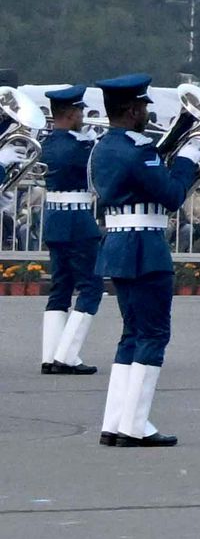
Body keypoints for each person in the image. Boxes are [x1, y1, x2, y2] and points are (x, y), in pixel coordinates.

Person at [82, 79, 200, 446]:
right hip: (144, 246)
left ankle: (115, 422)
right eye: (144, 108)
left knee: (132, 334)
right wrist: (186, 161)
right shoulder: (138, 149)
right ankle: (135, 425)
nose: (148, 114)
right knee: (153, 334)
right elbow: (171, 195)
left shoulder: (102, 147)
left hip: (118, 244)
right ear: (133, 110)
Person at [34, 84, 100, 375]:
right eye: (81, 112)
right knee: (91, 287)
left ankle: (50, 356)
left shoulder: (46, 143)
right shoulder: (80, 146)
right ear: (72, 114)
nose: (83, 117)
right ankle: (67, 355)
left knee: (60, 287)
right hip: (77, 221)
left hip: (54, 219)